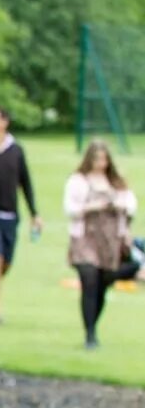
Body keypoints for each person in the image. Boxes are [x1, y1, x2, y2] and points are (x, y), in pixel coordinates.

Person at [63, 139, 135, 350]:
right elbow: (70, 208)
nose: (100, 163)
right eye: (96, 159)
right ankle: (90, 334)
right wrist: (93, 206)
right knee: (89, 279)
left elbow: (130, 206)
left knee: (101, 284)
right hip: (86, 237)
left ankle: (93, 324)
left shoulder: (116, 182)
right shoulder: (78, 180)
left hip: (110, 238)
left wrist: (118, 207)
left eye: (104, 159)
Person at [0, 106, 41, 326]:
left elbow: (26, 182)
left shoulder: (16, 151)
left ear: (4, 122)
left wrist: (34, 213)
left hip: (10, 215)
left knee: (5, 265)